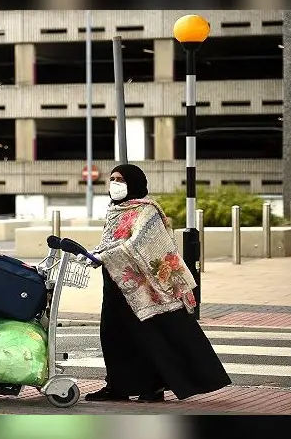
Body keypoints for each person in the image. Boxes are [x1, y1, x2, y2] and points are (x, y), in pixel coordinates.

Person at [83, 164, 231, 402]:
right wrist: (94, 254)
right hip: (115, 283)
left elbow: (140, 243)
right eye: (112, 179)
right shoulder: (115, 210)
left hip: (146, 287)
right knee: (113, 335)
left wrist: (103, 256)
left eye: (120, 179)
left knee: (149, 336)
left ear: (134, 182)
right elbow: (112, 242)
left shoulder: (147, 210)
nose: (115, 183)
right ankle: (117, 386)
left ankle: (153, 387)